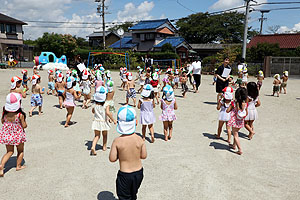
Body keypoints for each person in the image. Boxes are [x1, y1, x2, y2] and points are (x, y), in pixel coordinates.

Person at [109, 105, 147, 200]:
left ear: (119, 123)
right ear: (136, 122)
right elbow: (144, 156)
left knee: (124, 197)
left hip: (125, 174)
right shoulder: (139, 139)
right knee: (133, 194)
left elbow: (112, 159)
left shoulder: (117, 141)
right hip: (139, 173)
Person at [0, 93, 27, 177]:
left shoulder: (5, 113)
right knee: (20, 150)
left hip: (7, 135)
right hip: (18, 135)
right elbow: (24, 125)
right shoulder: (20, 115)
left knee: (9, 151)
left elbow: (2, 121)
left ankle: (1, 165)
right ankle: (18, 166)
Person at [91, 86, 116, 156]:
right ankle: (104, 146)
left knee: (97, 136)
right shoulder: (106, 104)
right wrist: (113, 119)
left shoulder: (94, 104)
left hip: (96, 121)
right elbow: (108, 113)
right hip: (103, 121)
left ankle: (93, 147)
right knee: (105, 135)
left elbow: (93, 111)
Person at [227, 88, 248, 155]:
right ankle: (234, 145)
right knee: (236, 132)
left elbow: (228, 110)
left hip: (234, 120)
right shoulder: (245, 104)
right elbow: (246, 113)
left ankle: (240, 149)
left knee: (235, 134)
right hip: (240, 120)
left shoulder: (234, 103)